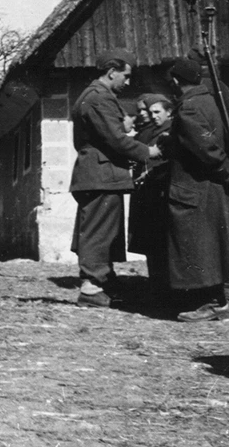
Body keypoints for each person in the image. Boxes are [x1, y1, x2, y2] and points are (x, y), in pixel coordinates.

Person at [69, 48, 160, 308]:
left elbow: (108, 131)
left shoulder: (95, 96)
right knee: (98, 231)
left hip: (99, 173)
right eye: (126, 76)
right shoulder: (99, 98)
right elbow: (115, 139)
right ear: (111, 72)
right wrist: (148, 151)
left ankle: (101, 281)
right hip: (101, 174)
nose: (128, 82)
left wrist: (124, 125)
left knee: (101, 229)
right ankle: (91, 287)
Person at [165, 58, 229, 322]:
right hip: (214, 186)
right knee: (218, 243)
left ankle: (216, 303)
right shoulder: (217, 100)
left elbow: (205, 148)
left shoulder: (189, 108)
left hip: (197, 188)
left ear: (177, 81)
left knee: (204, 247)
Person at [127, 93, 173, 297]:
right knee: (151, 243)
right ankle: (157, 286)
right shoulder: (149, 132)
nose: (149, 115)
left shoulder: (170, 131)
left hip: (160, 191)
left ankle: (165, 288)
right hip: (147, 192)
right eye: (147, 111)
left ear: (168, 112)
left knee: (161, 242)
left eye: (156, 111)